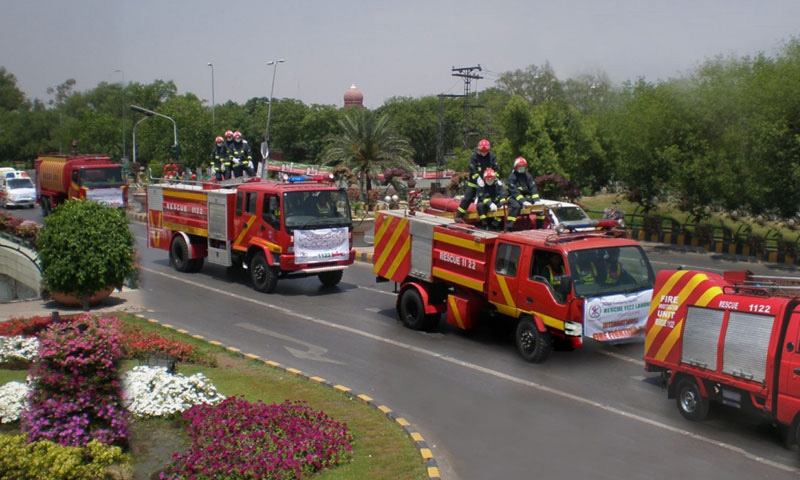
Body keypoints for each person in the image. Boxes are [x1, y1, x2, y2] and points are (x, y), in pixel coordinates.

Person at [456, 139, 498, 220]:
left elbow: (495, 169)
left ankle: (489, 218)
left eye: (485, 152)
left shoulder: (491, 157)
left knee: (489, 199)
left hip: (487, 183)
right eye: (482, 152)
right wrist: (478, 179)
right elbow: (472, 169)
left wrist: (495, 178)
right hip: (474, 183)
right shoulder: (474, 157)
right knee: (467, 198)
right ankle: (459, 215)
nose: (484, 154)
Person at [505, 157, 540, 229]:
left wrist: (536, 200)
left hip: (524, 197)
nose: (521, 169)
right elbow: (514, 191)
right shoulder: (512, 177)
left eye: (523, 167)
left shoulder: (527, 175)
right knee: (516, 206)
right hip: (512, 197)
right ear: (515, 167)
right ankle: (509, 227)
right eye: (520, 167)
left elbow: (533, 187)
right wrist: (523, 201)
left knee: (540, 207)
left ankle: (540, 226)